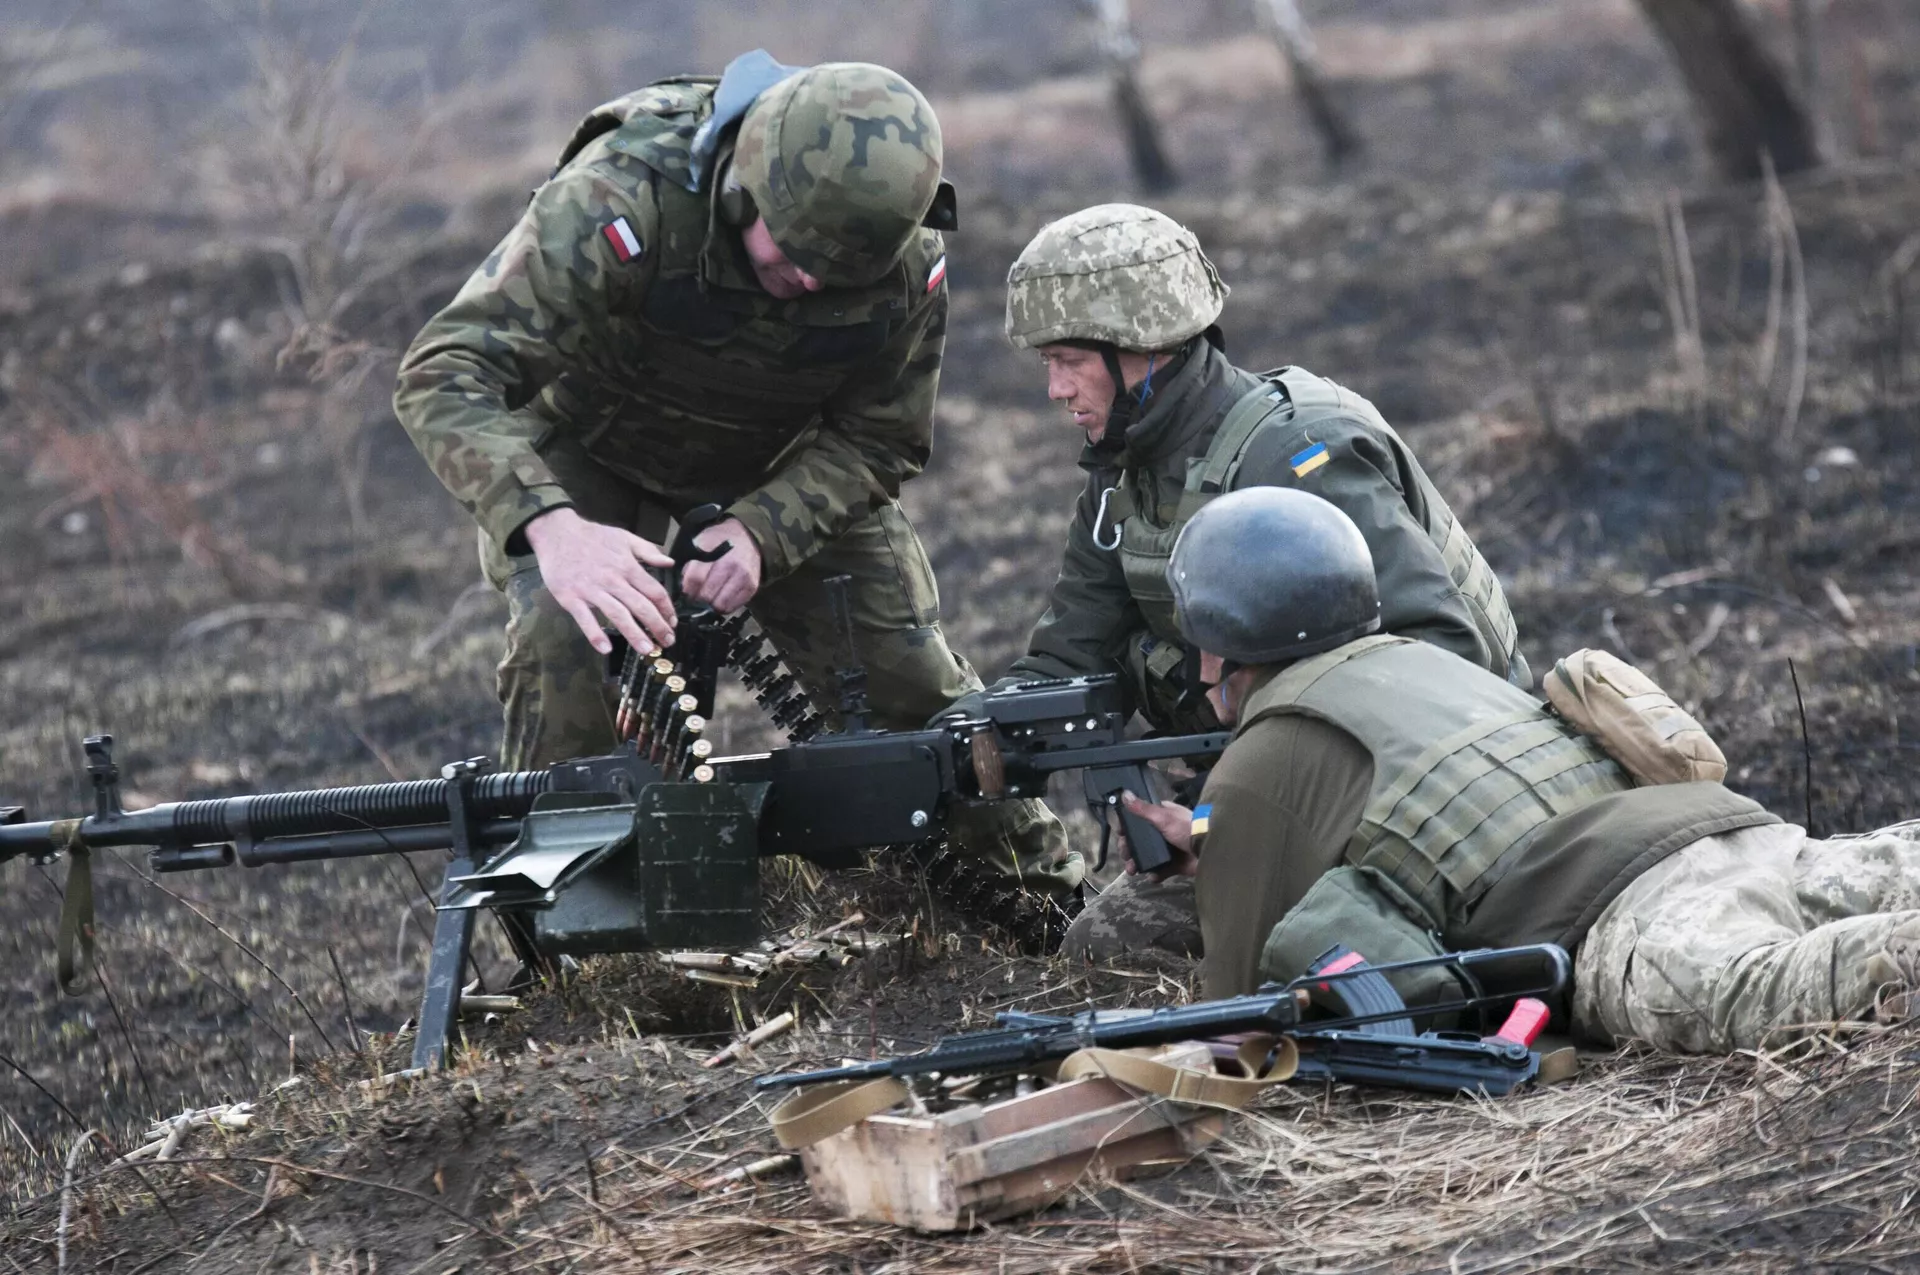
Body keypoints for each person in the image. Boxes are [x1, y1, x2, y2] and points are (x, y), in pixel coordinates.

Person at [393, 51, 1079, 896]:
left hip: (779, 457)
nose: (809, 284)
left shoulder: (902, 259)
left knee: (906, 671)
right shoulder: (624, 196)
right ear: (743, 188)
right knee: (565, 647)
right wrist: (555, 531)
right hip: (592, 440)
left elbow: (882, 437)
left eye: (836, 277)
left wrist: (765, 529)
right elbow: (442, 371)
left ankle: (1042, 898)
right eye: (793, 258)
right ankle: (576, 940)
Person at [1110, 486, 1920, 1054]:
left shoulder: (1258, 759)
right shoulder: (1419, 660)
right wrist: (1222, 843)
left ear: (1223, 640)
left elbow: (1239, 1017)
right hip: (1725, 833)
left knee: (1803, 986)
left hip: (1617, 920)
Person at [993, 204, 1525, 956]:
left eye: (1069, 360)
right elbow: (1073, 646)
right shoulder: (1125, 477)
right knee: (1103, 948)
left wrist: (1225, 825)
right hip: (1274, 789)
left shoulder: (1296, 455)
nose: (1054, 388)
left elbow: (1441, 660)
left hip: (1424, 794)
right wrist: (983, 729)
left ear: (1142, 344)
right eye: (1047, 362)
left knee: (1153, 959)